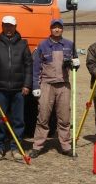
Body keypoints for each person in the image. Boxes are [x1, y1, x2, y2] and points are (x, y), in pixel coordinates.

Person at [29, 18, 78, 158]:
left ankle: (66, 146)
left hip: (64, 85)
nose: (57, 29)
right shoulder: (43, 45)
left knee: (64, 117)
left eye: (59, 27)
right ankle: (37, 146)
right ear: (50, 29)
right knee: (43, 116)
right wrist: (35, 86)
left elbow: (74, 66)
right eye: (54, 27)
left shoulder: (69, 44)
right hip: (47, 85)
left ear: (62, 29)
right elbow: (36, 68)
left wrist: (76, 64)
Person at [0, 15, 32, 161]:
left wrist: (27, 85)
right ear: (2, 26)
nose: (8, 28)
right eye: (6, 25)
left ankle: (16, 147)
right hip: (1, 89)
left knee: (18, 120)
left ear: (15, 27)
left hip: (19, 90)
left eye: (11, 26)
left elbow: (28, 66)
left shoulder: (23, 44)